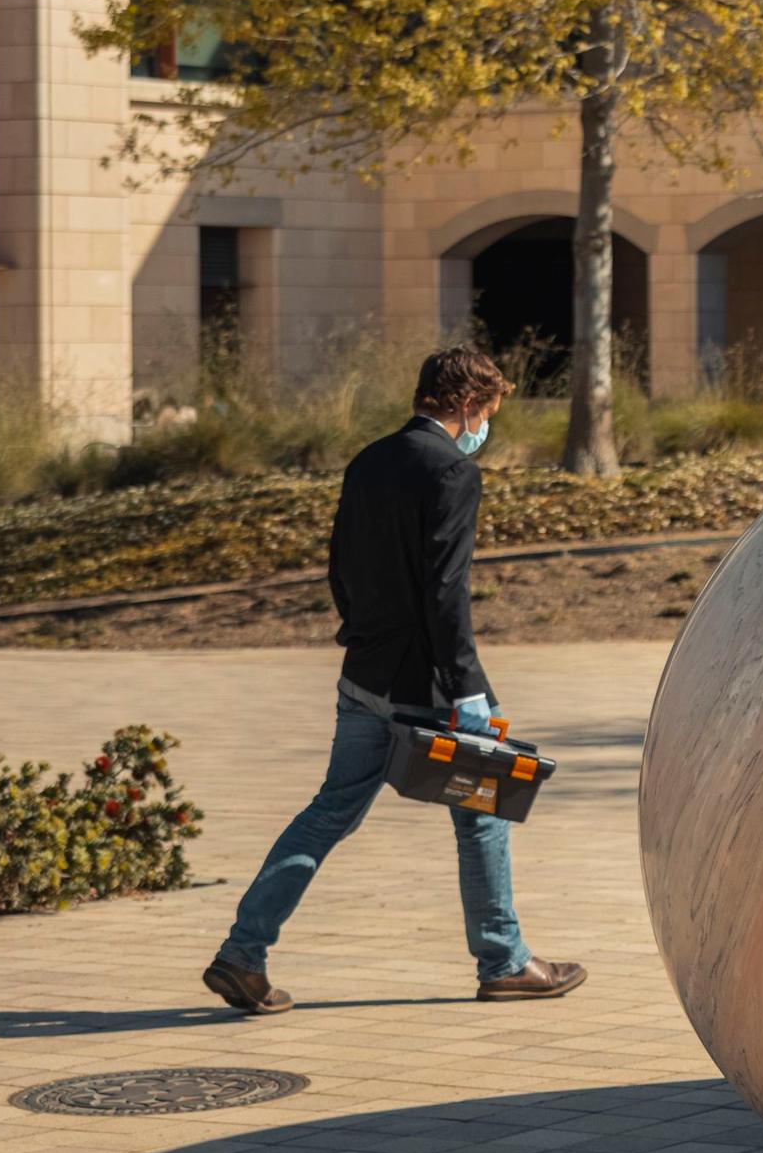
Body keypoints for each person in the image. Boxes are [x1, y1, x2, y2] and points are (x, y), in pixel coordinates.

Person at [201, 347, 589, 1010]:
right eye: (488, 412)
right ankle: (503, 960)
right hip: (429, 687)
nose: (485, 428)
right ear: (468, 404)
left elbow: (340, 570)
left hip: (364, 675)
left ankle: (243, 952)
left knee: (327, 815)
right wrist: (465, 689)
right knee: (485, 812)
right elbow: (447, 593)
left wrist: (364, 638)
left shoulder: (368, 461)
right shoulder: (452, 472)